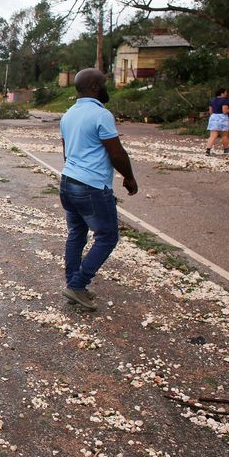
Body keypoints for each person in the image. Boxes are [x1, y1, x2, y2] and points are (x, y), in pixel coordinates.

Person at [59, 68, 138, 311]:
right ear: (94, 86)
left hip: (68, 182)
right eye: (104, 83)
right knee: (107, 236)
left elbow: (66, 152)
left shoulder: (67, 115)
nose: (107, 87)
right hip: (91, 186)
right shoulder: (101, 115)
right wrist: (129, 177)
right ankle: (78, 285)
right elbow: (116, 152)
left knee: (77, 234)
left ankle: (75, 285)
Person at [205, 88, 229, 155]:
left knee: (213, 135)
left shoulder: (212, 100)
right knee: (224, 135)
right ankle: (226, 149)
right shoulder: (225, 100)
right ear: (222, 93)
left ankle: (208, 150)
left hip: (213, 117)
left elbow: (210, 111)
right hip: (222, 118)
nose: (226, 94)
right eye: (225, 92)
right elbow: (224, 111)